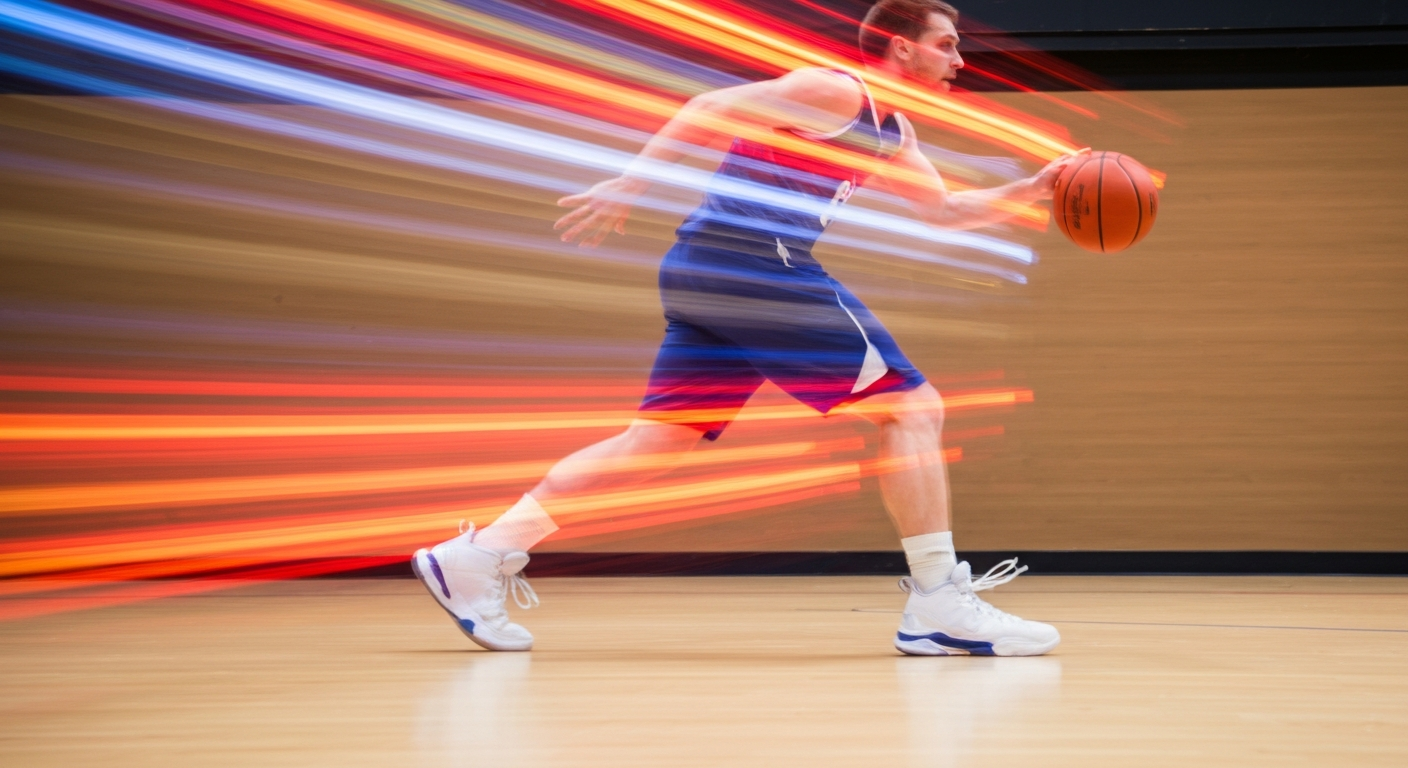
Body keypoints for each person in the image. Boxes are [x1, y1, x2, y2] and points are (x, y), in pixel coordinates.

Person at [413, 0, 1084, 656]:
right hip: (756, 265)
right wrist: (631, 183)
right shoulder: (835, 92)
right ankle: (938, 601)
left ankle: (478, 555)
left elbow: (942, 210)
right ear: (901, 46)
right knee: (913, 408)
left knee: (657, 441)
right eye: (946, 44)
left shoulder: (891, 130)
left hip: (707, 270)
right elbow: (711, 108)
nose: (959, 60)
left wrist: (1034, 189)